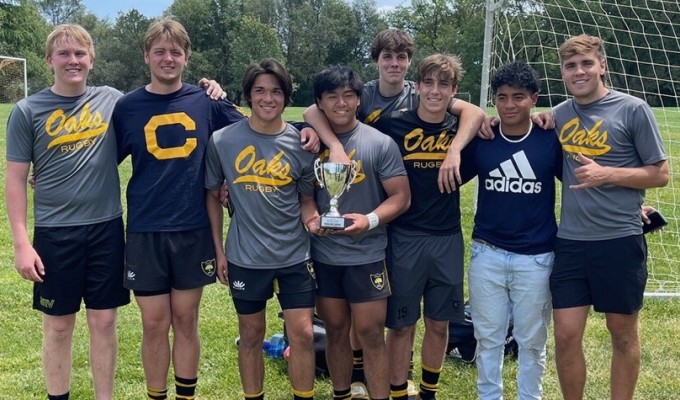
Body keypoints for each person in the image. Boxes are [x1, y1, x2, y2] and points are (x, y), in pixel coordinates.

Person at [303, 28, 485, 399]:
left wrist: (455, 151)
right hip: (396, 231)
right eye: (387, 56)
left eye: (401, 57)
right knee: (380, 321)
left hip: (427, 228)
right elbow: (313, 108)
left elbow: (475, 111)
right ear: (376, 61)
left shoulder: (428, 108)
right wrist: (332, 143)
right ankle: (361, 377)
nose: (394, 63)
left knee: (426, 320)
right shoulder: (371, 101)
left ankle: (419, 390)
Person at [112, 18, 248, 400]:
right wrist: (51, 169)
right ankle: (156, 394)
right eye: (160, 51)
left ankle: (186, 396)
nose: (168, 58)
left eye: (175, 52)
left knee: (186, 320)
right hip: (146, 227)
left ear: (187, 58)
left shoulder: (206, 100)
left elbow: (254, 131)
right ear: (146, 57)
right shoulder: (128, 107)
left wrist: (309, 129)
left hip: (192, 227)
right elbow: (102, 158)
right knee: (154, 323)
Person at [5, 24, 130, 400]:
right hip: (55, 233)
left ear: (91, 59)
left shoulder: (112, 100)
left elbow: (153, 113)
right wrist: (21, 244)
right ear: (49, 61)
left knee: (104, 321)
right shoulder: (28, 110)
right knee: (58, 327)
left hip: (106, 227)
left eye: (79, 53)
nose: (72, 60)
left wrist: (212, 90)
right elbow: (15, 180)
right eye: (64, 54)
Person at [548, 34, 669, 400]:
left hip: (619, 240)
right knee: (566, 335)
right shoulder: (558, 115)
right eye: (571, 66)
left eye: (587, 63)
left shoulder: (632, 109)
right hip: (570, 242)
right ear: (563, 73)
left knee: (622, 333)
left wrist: (609, 175)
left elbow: (661, 174)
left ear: (602, 66)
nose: (579, 71)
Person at [205, 58, 319, 400]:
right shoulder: (223, 140)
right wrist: (218, 250)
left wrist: (313, 220)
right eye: (259, 91)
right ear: (248, 95)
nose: (268, 98)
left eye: (275, 91)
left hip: (294, 254)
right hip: (245, 255)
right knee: (252, 333)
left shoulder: (301, 143)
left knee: (303, 334)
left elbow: (306, 199)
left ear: (285, 97)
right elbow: (213, 195)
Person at [369, 53, 479, 400]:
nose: (434, 91)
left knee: (439, 322)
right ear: (416, 87)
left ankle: (429, 393)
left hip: (447, 236)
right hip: (405, 236)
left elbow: (480, 116)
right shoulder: (392, 124)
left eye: (443, 84)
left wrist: (455, 150)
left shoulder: (461, 131)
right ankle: (398, 392)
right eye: (428, 83)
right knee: (401, 324)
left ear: (454, 91)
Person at [309, 65, 411, 400]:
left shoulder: (379, 143)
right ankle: (342, 394)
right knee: (336, 331)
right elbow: (303, 196)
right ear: (320, 103)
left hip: (367, 255)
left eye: (348, 96)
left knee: (369, 333)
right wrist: (312, 219)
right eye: (332, 96)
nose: (341, 103)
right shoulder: (308, 142)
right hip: (325, 255)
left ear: (358, 99)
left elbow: (401, 197)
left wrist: (369, 220)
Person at [466, 61, 562, 400]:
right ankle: (488, 396)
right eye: (502, 97)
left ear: (534, 99)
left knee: (531, 340)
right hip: (487, 253)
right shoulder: (484, 138)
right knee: (488, 337)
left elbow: (582, 182)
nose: (509, 105)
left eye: (518, 97)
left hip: (536, 257)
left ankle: (529, 397)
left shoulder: (550, 139)